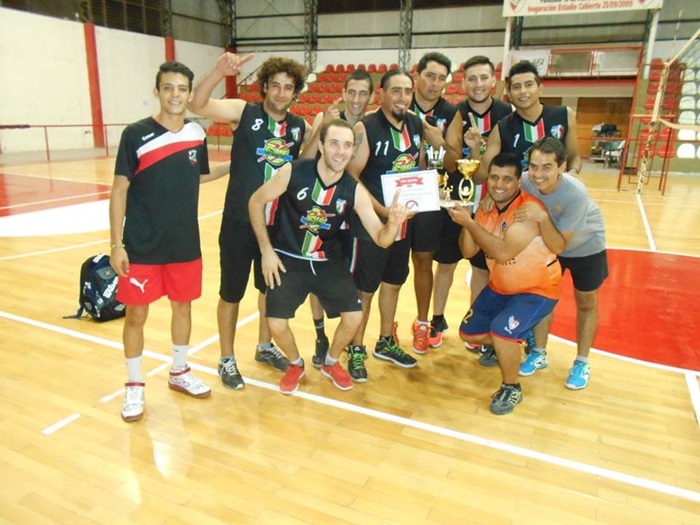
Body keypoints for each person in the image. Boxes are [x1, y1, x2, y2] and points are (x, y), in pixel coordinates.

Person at [248, 119, 409, 394]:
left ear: (352, 151)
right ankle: (296, 363)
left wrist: (393, 223)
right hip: (288, 257)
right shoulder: (294, 171)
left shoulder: (354, 189)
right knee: (275, 323)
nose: (340, 151)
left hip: (327, 261)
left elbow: (381, 239)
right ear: (321, 146)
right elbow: (255, 201)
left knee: (354, 318)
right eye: (334, 144)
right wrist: (266, 251)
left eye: (347, 146)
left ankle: (331, 362)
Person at [188, 53, 311, 390]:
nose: (281, 93)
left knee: (269, 291)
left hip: (277, 226)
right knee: (231, 293)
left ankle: (264, 346)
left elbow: (310, 161)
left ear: (295, 92)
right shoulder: (243, 112)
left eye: (288, 87)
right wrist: (218, 71)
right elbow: (198, 103)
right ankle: (226, 359)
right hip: (239, 222)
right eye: (276, 85)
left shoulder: (299, 127)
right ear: (265, 87)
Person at [110, 61, 212, 423]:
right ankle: (134, 385)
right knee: (136, 315)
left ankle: (179, 371)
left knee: (183, 307)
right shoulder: (135, 134)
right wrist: (116, 245)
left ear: (189, 93)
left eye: (182, 88)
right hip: (141, 245)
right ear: (157, 91)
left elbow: (196, 177)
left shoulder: (196, 134)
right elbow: (119, 191)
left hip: (184, 243)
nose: (175, 95)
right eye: (168, 88)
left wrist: (237, 167)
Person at [464, 58, 582, 366]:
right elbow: (483, 174)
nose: (523, 91)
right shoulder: (504, 127)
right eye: (516, 86)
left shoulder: (564, 115)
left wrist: (572, 180)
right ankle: (507, 334)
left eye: (529, 84)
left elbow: (575, 157)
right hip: (516, 217)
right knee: (504, 273)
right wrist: (477, 157)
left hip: (552, 213)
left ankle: (538, 349)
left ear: (540, 87)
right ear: (508, 91)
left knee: (544, 277)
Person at [447, 152, 562, 415]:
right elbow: (467, 251)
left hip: (538, 289)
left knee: (501, 332)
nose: (499, 185)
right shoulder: (486, 207)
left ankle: (512, 387)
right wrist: (469, 220)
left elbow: (502, 253)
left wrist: (469, 223)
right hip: (500, 287)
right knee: (468, 334)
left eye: (507, 179)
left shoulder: (527, 212)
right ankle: (513, 340)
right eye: (494, 178)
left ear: (518, 182)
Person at [344, 68, 425, 381]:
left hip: (403, 223)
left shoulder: (416, 124)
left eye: (407, 91)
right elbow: (351, 176)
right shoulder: (367, 127)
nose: (403, 97)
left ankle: (385, 341)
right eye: (396, 91)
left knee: (393, 283)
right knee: (365, 290)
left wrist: (418, 201)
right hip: (370, 225)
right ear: (382, 94)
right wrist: (381, 210)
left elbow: (417, 167)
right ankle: (356, 349)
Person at [516, 137, 608, 390]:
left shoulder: (575, 194)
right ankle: (539, 352)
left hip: (586, 245)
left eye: (547, 167)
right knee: (543, 297)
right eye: (533, 166)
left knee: (586, 302)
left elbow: (560, 245)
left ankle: (581, 361)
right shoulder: (525, 181)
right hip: (550, 242)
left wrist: (542, 218)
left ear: (562, 167)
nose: (538, 174)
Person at [436, 55, 513, 349]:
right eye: (472, 78)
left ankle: (476, 323)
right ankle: (436, 321)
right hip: (457, 201)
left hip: (493, 204)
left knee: (482, 268)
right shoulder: (456, 113)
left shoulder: (506, 114)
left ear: (493, 80)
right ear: (464, 82)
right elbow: (450, 162)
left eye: (483, 77)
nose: (478, 84)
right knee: (446, 263)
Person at [299, 69, 374, 368]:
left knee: (354, 281)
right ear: (343, 93)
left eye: (363, 93)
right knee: (315, 276)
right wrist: (322, 127)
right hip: (321, 210)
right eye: (351, 92)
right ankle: (320, 337)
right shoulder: (325, 118)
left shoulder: (370, 126)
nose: (356, 99)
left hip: (353, 214)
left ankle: (352, 342)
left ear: (370, 97)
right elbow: (304, 161)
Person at [407, 52, 460, 354]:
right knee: (388, 269)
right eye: (430, 76)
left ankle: (422, 323)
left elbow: (452, 165)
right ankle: (382, 332)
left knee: (423, 260)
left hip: (430, 197)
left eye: (441, 78)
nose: (435, 83)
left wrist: (439, 142)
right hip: (395, 195)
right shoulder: (400, 103)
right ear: (417, 76)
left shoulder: (451, 113)